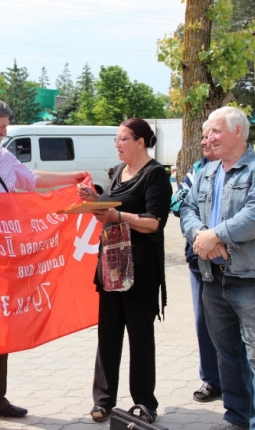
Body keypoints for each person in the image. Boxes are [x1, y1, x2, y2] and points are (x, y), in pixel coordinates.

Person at [0, 98, 88, 429]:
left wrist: (71, 179)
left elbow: (31, 180)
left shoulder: (5, 158)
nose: (5, 133)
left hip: (3, 260)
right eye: (1, 126)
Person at [180, 107, 255, 430]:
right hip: (212, 277)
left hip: (252, 279)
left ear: (238, 131)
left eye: (215, 131)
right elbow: (187, 208)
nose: (208, 138)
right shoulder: (207, 171)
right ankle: (237, 418)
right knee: (227, 355)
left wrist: (216, 235)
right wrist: (200, 234)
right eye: (208, 132)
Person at [78, 118, 172, 424]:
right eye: (116, 139)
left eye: (123, 139)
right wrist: (94, 200)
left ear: (140, 142)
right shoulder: (119, 171)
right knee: (108, 334)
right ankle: (103, 400)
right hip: (111, 265)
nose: (117, 144)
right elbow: (111, 207)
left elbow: (154, 222)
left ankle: (144, 402)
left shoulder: (155, 175)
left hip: (140, 270)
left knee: (140, 337)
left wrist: (118, 216)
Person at [170, 122, 222, 403]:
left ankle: (241, 383)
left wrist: (219, 235)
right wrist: (203, 234)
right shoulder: (197, 169)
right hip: (199, 258)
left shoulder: (251, 168)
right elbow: (177, 204)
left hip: (234, 259)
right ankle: (212, 380)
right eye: (201, 137)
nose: (203, 142)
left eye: (208, 137)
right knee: (204, 321)